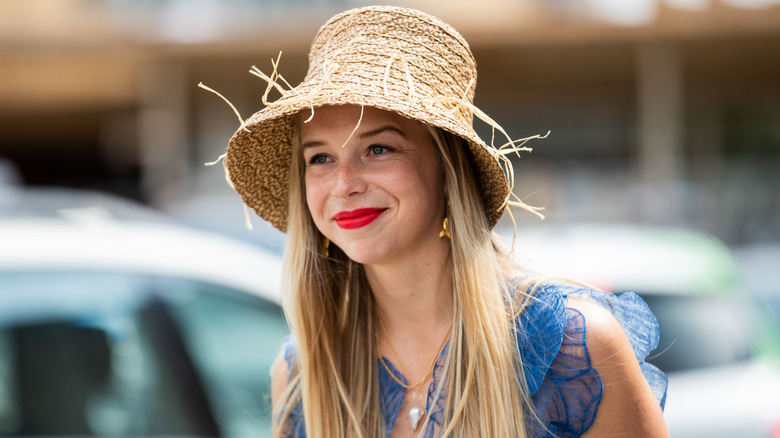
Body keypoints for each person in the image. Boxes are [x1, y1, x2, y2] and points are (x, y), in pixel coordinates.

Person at [215, 5, 668, 437]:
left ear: (448, 169)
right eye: (320, 158)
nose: (344, 184)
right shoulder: (302, 377)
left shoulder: (568, 345)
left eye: (378, 148)